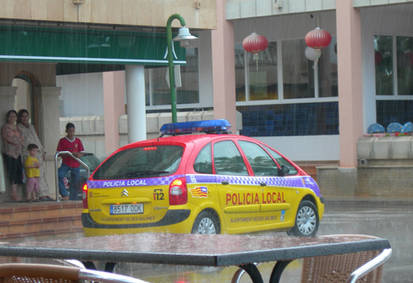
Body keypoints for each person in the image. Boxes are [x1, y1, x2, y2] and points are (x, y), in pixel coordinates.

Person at [17, 109, 52, 201]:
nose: (25, 118)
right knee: (32, 176)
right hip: (28, 153)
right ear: (19, 118)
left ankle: (45, 193)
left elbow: (36, 139)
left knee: (41, 174)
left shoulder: (31, 126)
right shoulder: (19, 127)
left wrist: (42, 150)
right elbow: (24, 141)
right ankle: (38, 195)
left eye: (26, 116)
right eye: (23, 116)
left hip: (37, 153)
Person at [57, 122, 84, 200]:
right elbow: (58, 153)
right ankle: (64, 194)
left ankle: (73, 198)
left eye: (73, 131)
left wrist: (78, 155)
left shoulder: (78, 141)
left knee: (75, 181)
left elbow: (82, 152)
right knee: (59, 175)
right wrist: (68, 154)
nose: (71, 133)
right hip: (66, 163)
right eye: (70, 131)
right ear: (66, 131)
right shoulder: (62, 141)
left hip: (75, 164)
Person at [1, 110, 24, 201]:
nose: (12, 118)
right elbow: (8, 138)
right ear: (7, 117)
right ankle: (13, 193)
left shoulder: (17, 127)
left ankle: (17, 193)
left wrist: (18, 140)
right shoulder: (6, 127)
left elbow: (22, 138)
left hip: (18, 153)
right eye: (11, 116)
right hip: (9, 153)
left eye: (14, 116)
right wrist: (17, 140)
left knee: (18, 172)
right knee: (12, 172)